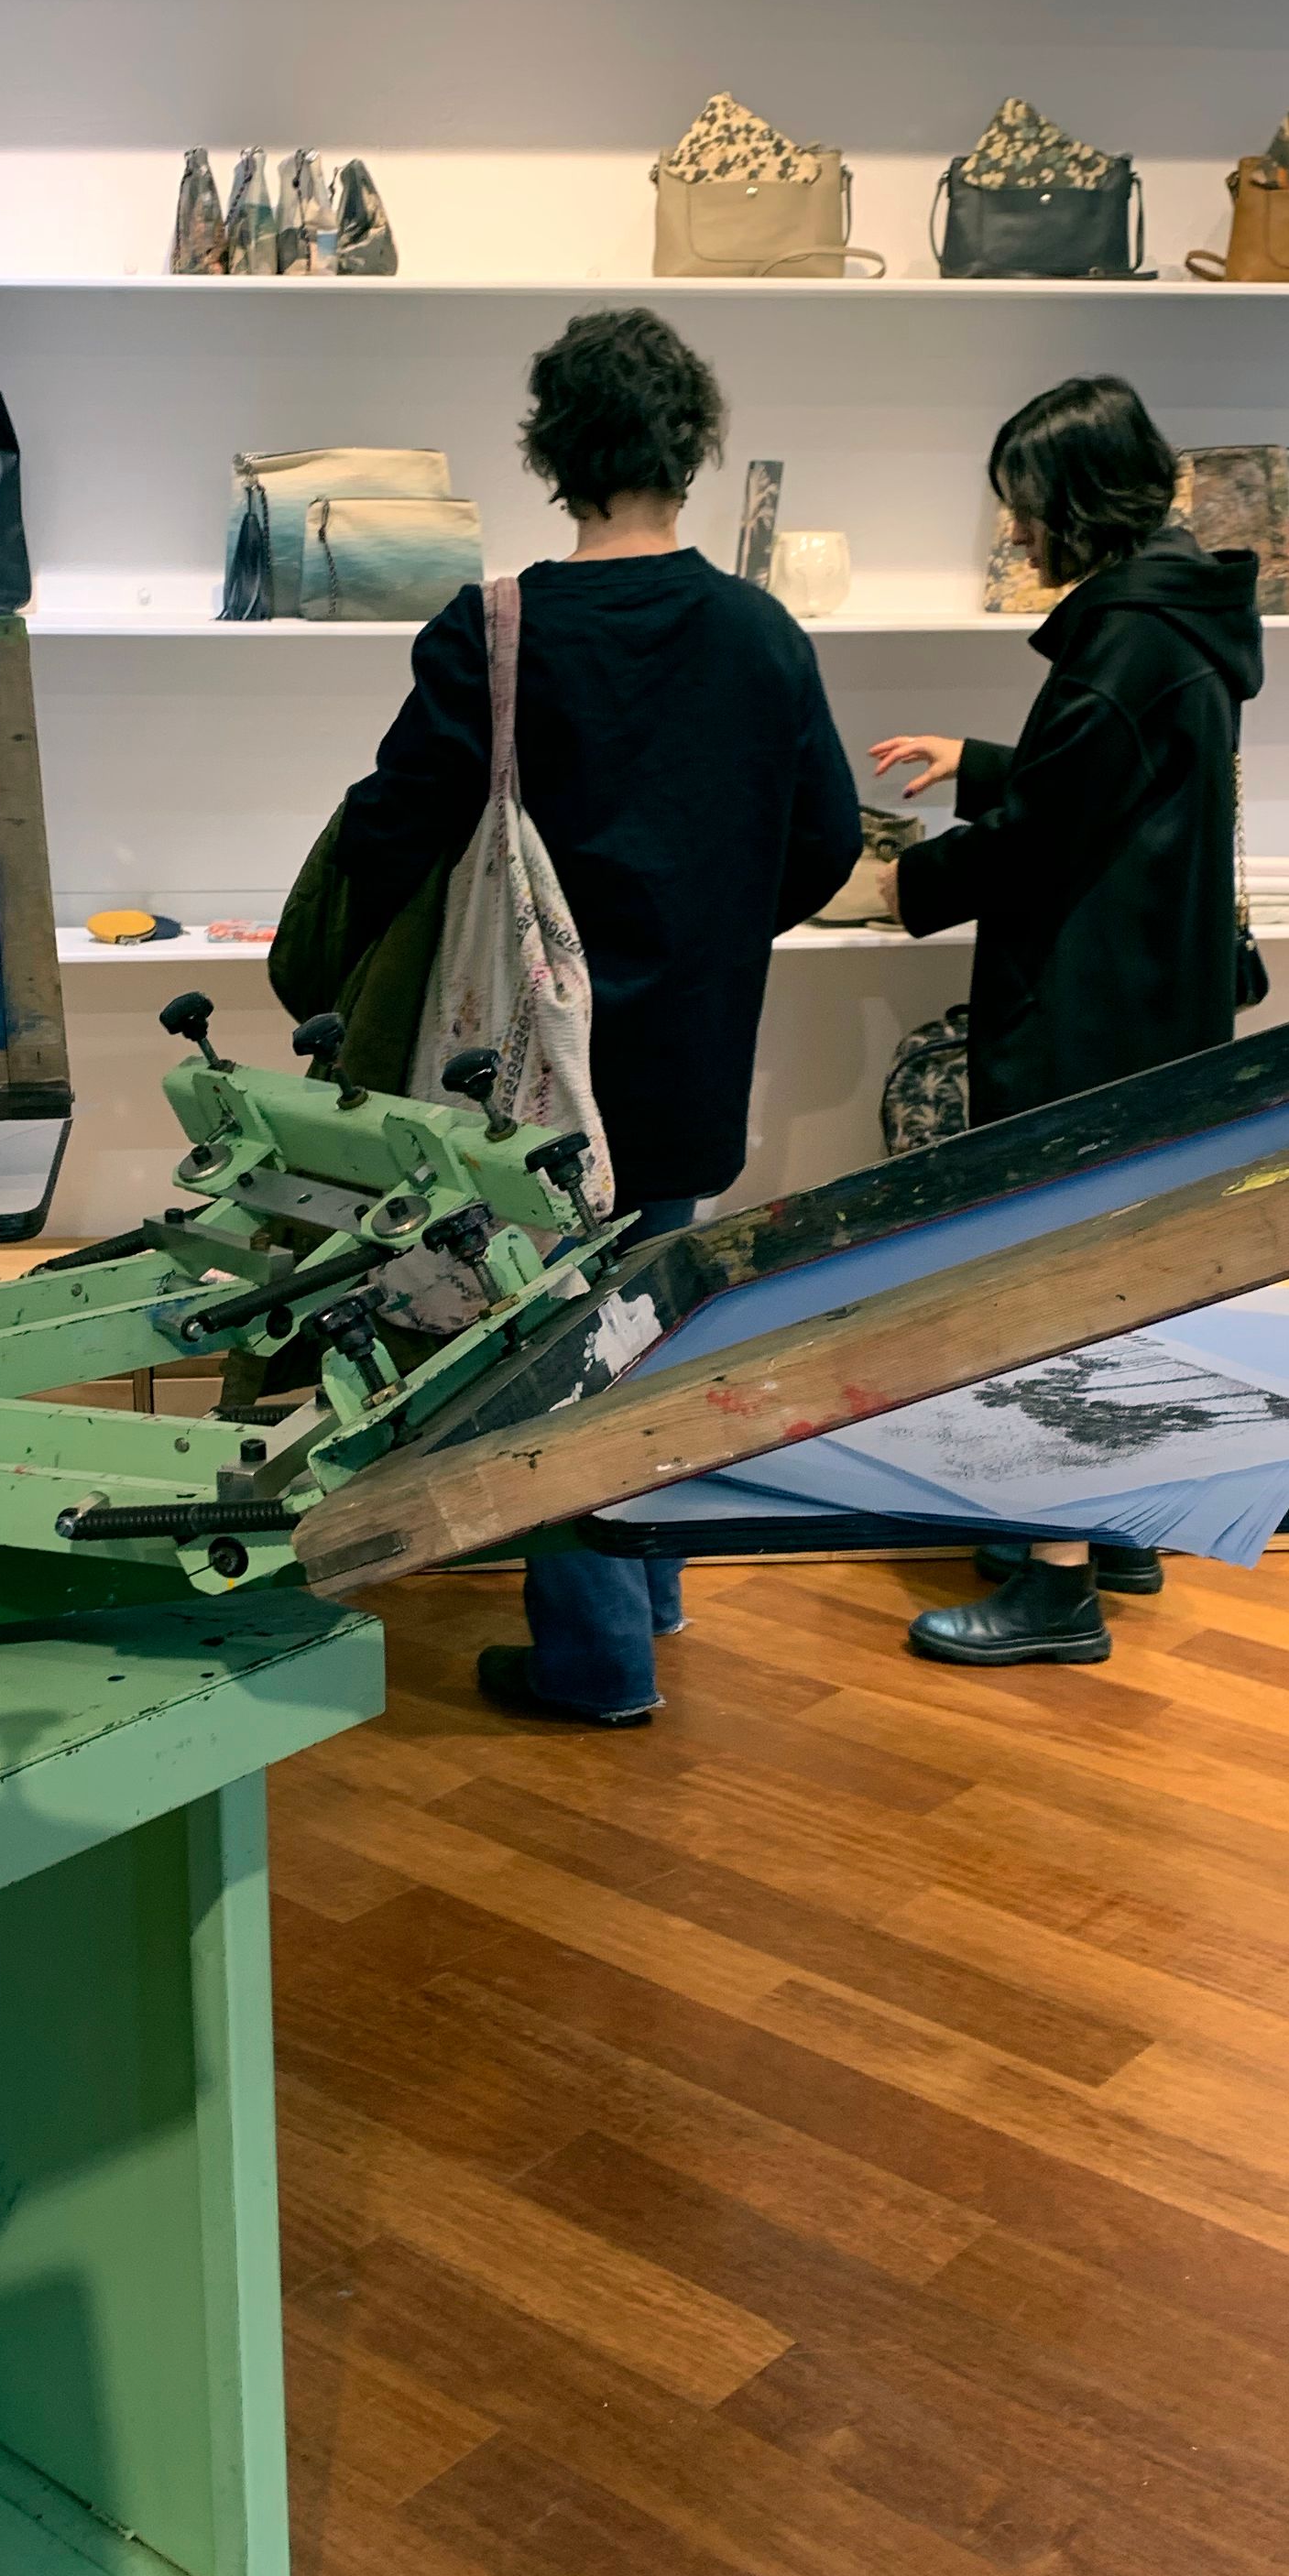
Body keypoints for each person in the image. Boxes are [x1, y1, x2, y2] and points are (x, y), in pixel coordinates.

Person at [330, 305, 861, 1725]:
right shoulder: (759, 634)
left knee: (545, 1345)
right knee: (652, 1326)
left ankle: (598, 1657)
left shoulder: (497, 630)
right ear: (691, 451)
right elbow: (825, 840)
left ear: (553, 455)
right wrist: (709, 931)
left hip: (519, 1069)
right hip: (686, 1053)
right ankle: (653, 1588)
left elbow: (394, 827)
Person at [869, 373, 1260, 1670]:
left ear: (1078, 501)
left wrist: (906, 887)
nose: (1017, 531)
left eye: (1026, 505)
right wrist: (976, 761)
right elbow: (1108, 782)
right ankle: (1114, 1526)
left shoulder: (1125, 636)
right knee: (1118, 1270)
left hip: (1087, 1019)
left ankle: (1056, 1589)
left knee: (1051, 1281)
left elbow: (1046, 833)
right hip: (1154, 1006)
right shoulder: (1178, 613)